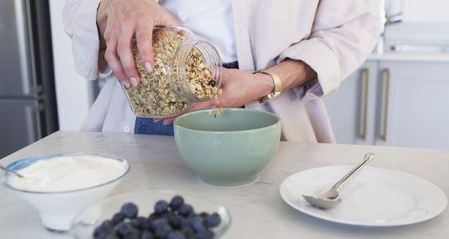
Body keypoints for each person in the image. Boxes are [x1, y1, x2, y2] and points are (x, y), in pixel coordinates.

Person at [63, 0, 381, 142]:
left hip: (268, 103)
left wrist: (269, 81)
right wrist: (112, 4)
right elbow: (76, 8)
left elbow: (352, 26)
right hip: (151, 98)